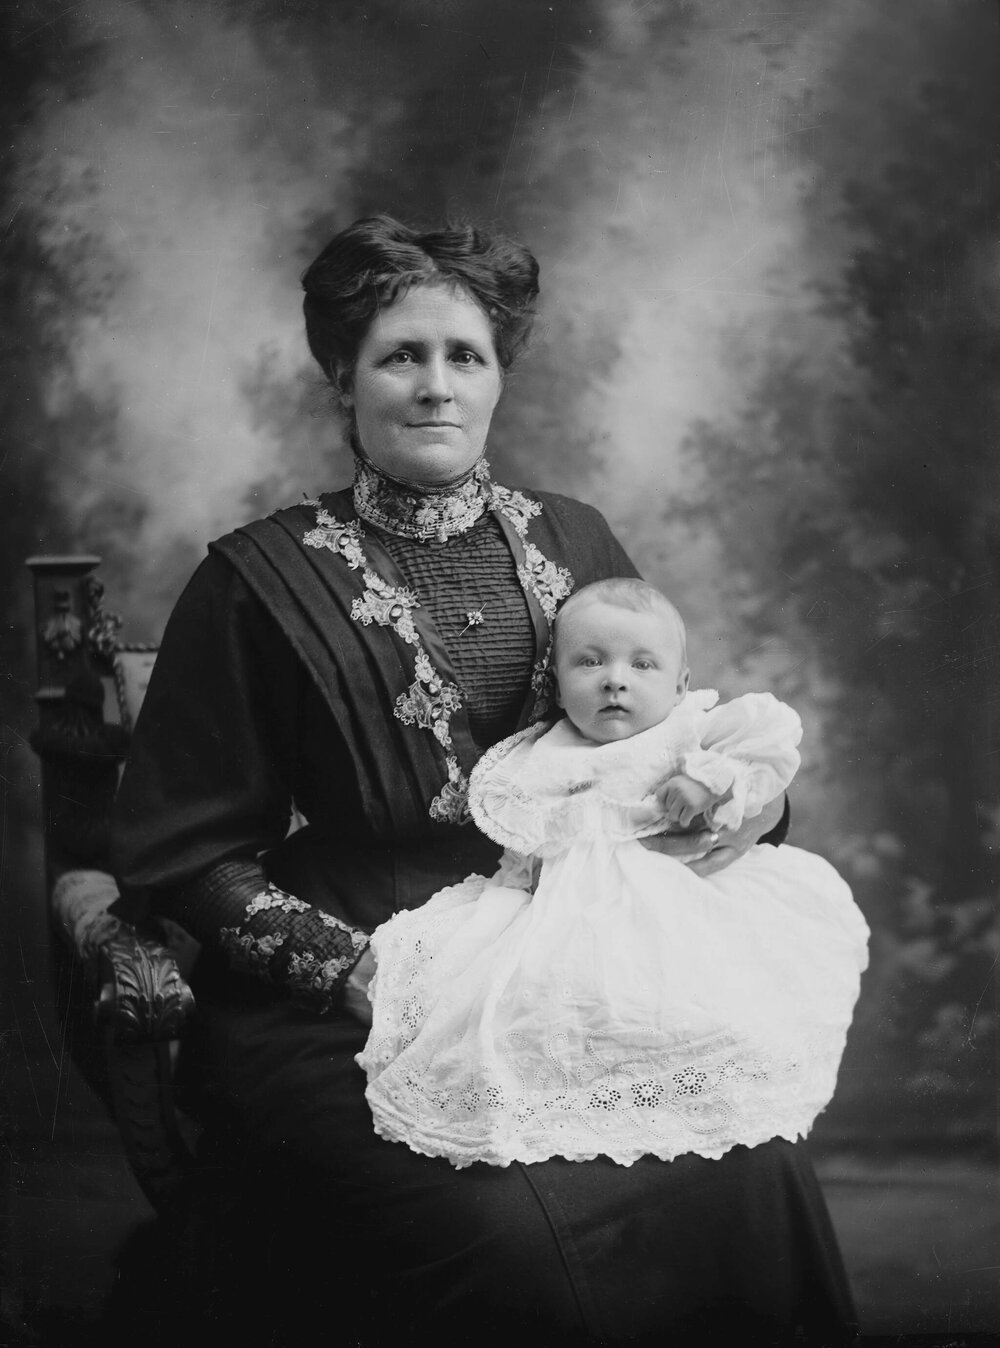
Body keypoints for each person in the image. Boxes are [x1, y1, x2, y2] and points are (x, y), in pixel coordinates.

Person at [111, 214, 860, 1346]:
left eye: (464, 356)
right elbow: (181, 852)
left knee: (753, 1171)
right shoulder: (253, 578)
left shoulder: (575, 538)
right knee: (513, 1245)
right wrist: (350, 969)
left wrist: (729, 800)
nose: (433, 386)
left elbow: (666, 738)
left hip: (567, 953)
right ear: (341, 377)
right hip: (349, 980)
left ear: (499, 377)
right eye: (398, 356)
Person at [358, 578, 870, 1171]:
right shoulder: (542, 756)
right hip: (565, 913)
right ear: (554, 680)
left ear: (679, 683)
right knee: (524, 1013)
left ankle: (696, 1101)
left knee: (711, 1007)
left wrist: (709, 779)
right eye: (590, 662)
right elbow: (527, 844)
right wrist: (518, 886)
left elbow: (768, 745)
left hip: (677, 901)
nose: (615, 679)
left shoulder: (686, 732)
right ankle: (576, 1112)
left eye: (642, 665)